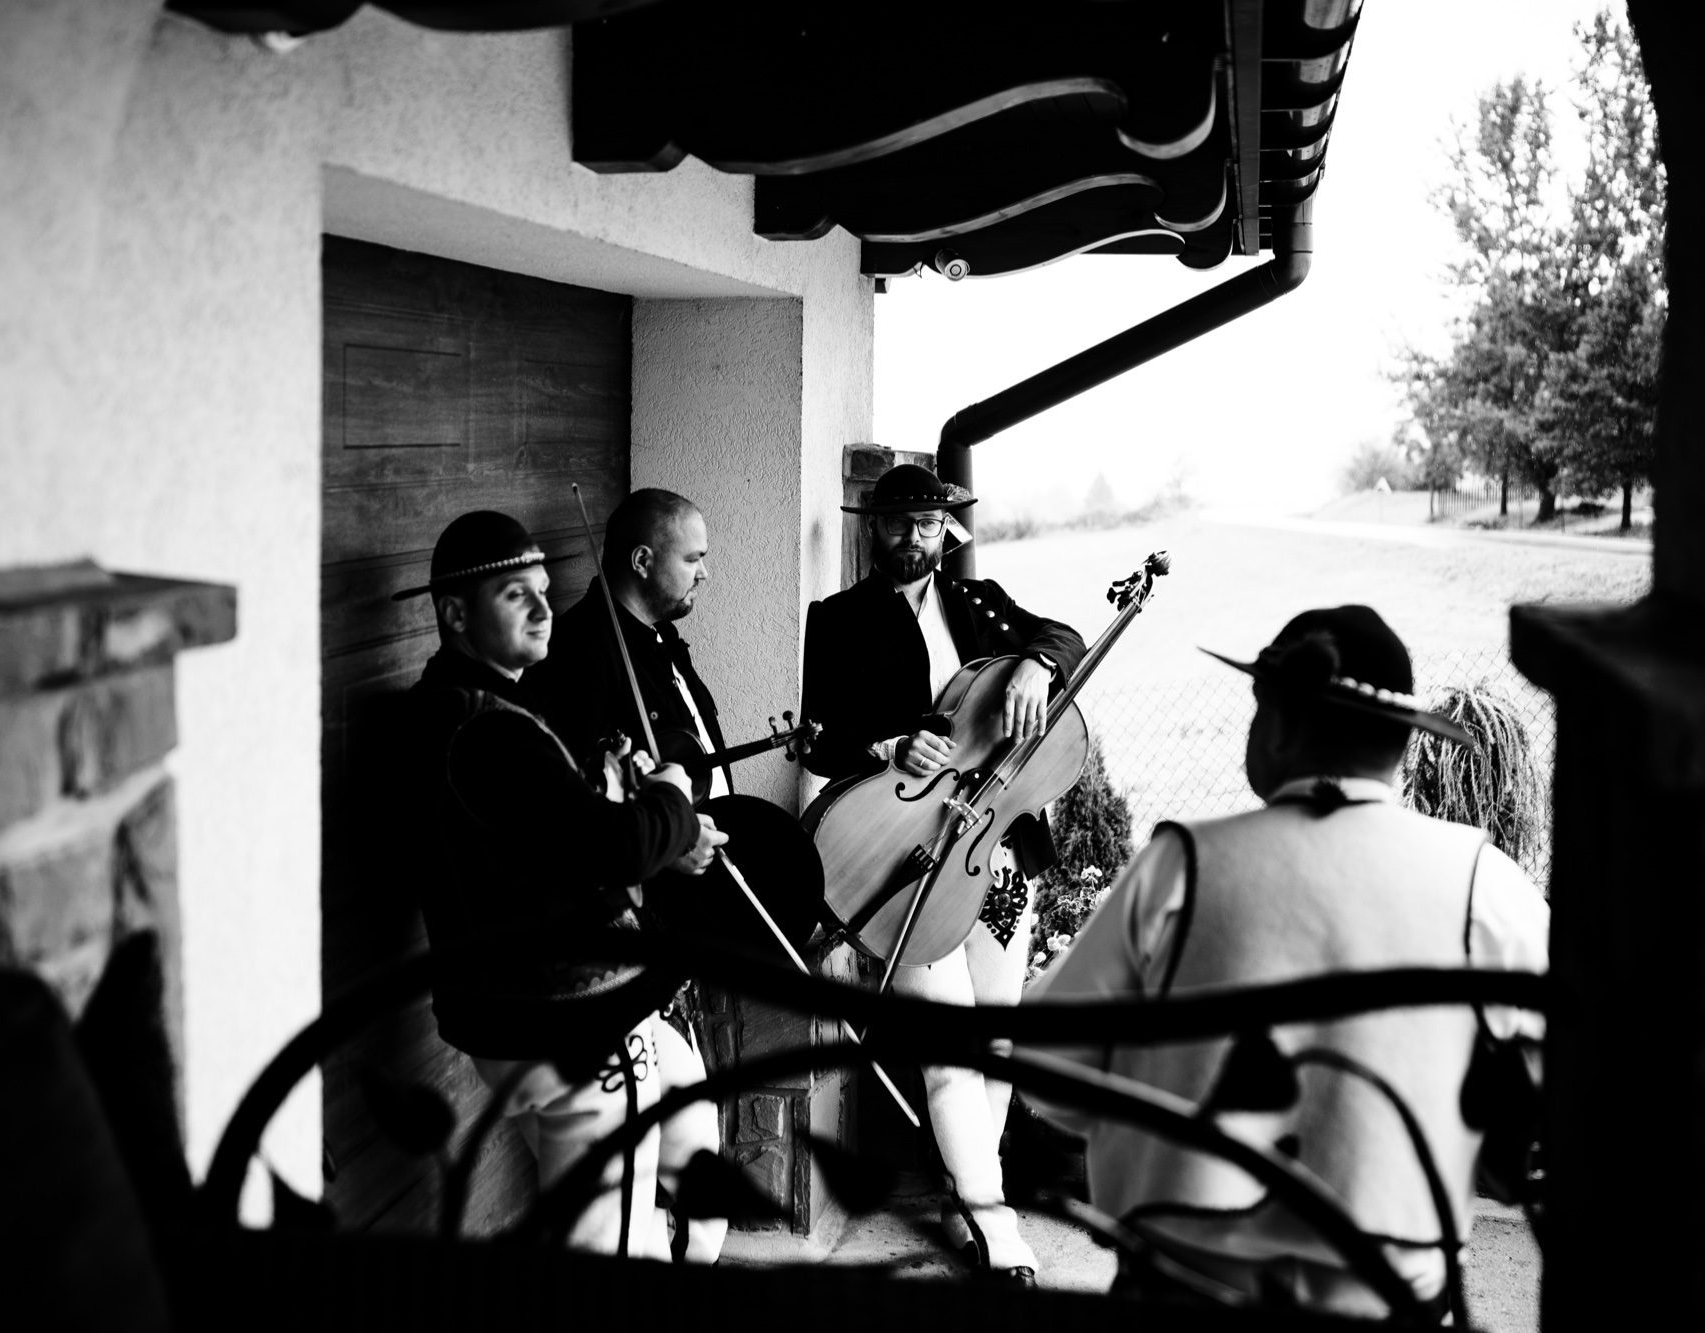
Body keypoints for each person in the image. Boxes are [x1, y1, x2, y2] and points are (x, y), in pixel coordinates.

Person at [1021, 606, 1549, 1316]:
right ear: (1400, 743)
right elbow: (1556, 1100)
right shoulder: (1485, 885)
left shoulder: (1183, 867)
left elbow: (1046, 1063)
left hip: (1182, 1291)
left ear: (1278, 727)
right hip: (1391, 1303)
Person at [395, 510, 728, 1261]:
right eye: (516, 595)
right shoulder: (488, 728)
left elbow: (541, 839)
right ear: (456, 614)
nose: (544, 609)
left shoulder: (451, 706)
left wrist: (610, 790)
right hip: (566, 1020)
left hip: (511, 1012)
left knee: (685, 1103)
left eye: (544, 590)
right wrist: (671, 796)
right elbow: (619, 847)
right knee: (611, 1240)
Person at [800, 463, 1087, 1284]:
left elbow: (1068, 638)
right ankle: (998, 1227)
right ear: (871, 526)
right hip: (907, 855)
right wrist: (886, 745)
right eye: (898, 521)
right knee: (949, 1044)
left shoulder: (980, 602)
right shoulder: (837, 618)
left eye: (927, 523)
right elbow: (819, 740)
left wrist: (1037, 663)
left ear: (945, 530)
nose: (913, 536)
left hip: (995, 846)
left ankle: (968, 1201)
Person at [529, 488, 729, 798]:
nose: (704, 574)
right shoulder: (579, 653)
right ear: (642, 561)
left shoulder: (664, 632)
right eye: (693, 559)